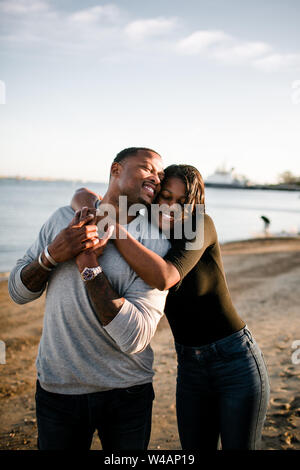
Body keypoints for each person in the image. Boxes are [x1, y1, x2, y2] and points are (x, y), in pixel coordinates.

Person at [73, 164, 270, 450]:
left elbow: (165, 277)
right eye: (165, 196)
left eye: (182, 201)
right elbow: (81, 194)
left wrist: (111, 227)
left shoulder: (201, 226)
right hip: (190, 365)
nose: (171, 207)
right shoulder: (144, 223)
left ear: (194, 205)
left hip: (235, 360)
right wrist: (95, 212)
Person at [8, 147, 171, 450]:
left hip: (127, 391)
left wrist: (88, 265)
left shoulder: (155, 243)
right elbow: (17, 293)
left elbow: (135, 338)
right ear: (115, 170)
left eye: (161, 176)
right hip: (58, 389)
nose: (156, 179)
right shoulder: (62, 219)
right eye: (148, 168)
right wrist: (50, 256)